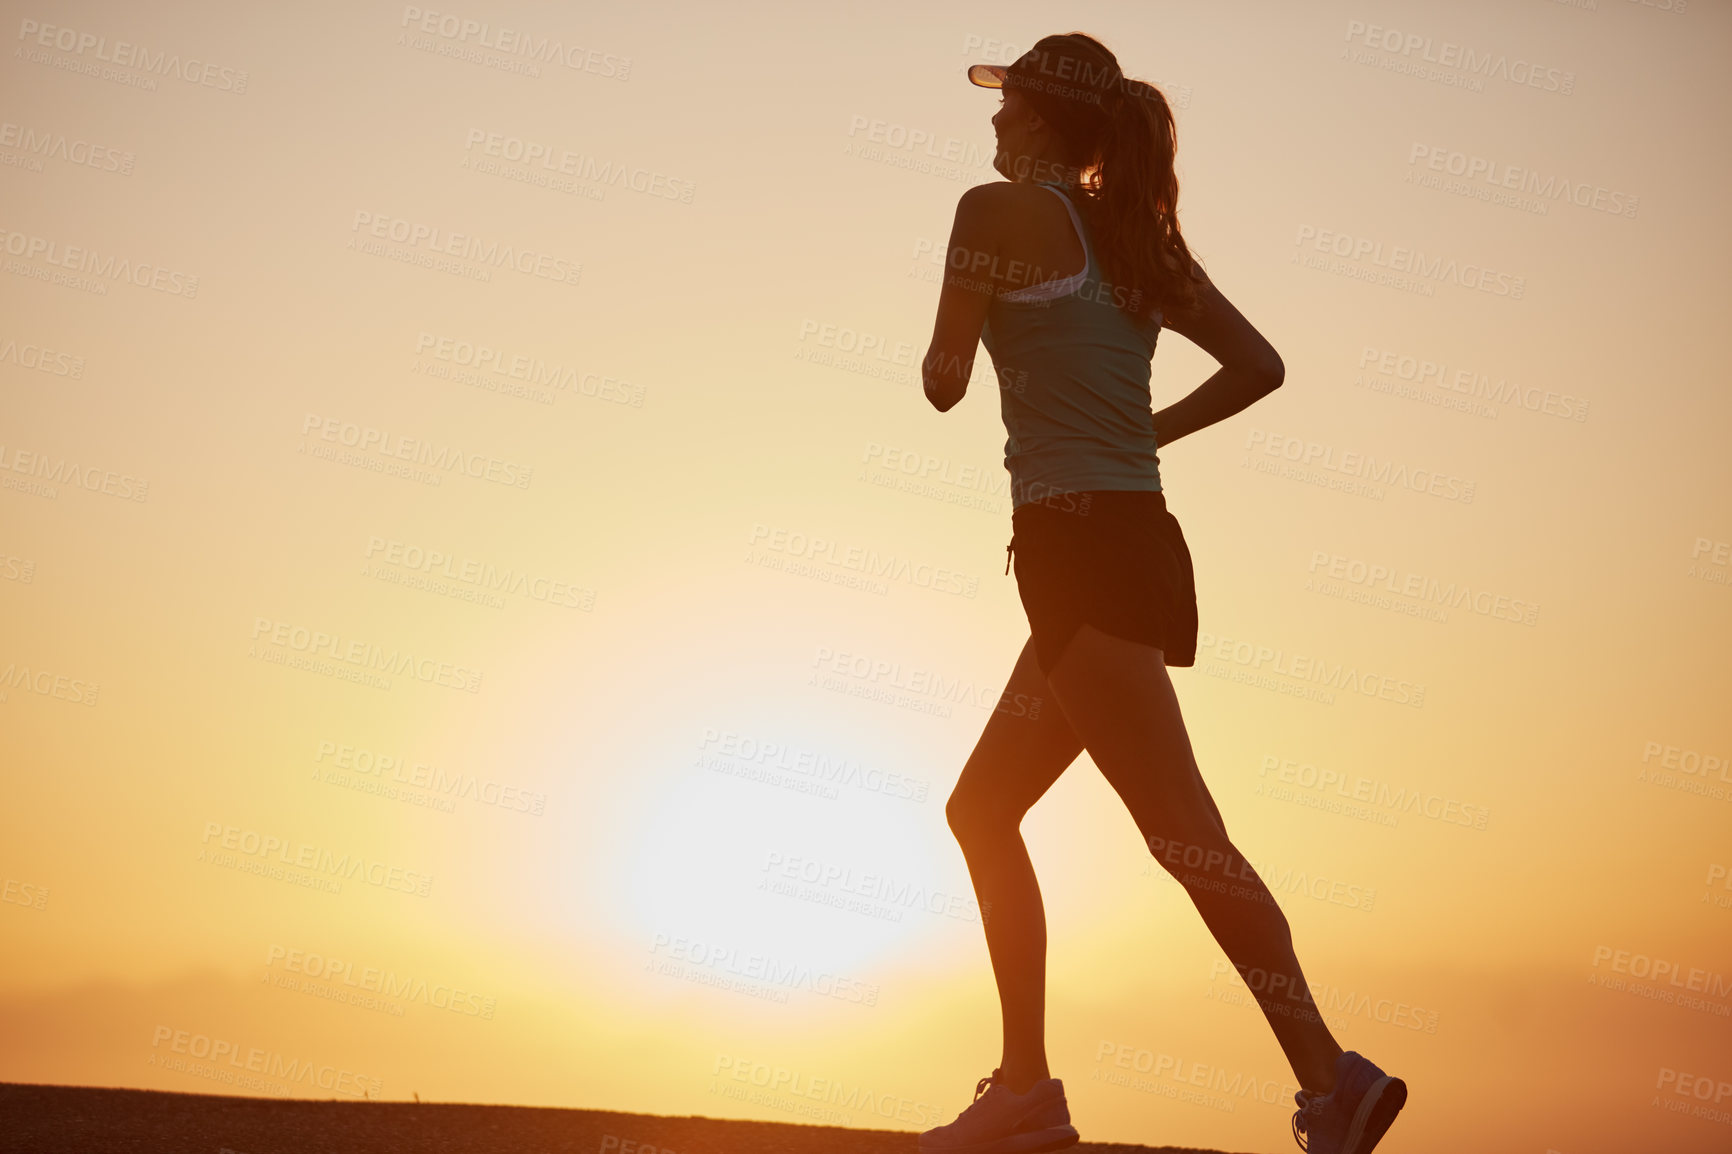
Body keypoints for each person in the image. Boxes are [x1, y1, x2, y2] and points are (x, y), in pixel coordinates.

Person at [915, 33, 1407, 1154]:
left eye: (1006, 110)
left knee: (1184, 832)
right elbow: (1258, 363)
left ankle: (1332, 1077)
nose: (990, 127)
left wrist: (967, 320)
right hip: (1132, 544)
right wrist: (1147, 428)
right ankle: (1027, 1089)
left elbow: (943, 384)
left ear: (1040, 119)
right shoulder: (1134, 239)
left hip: (1072, 550)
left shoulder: (986, 217)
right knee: (982, 808)